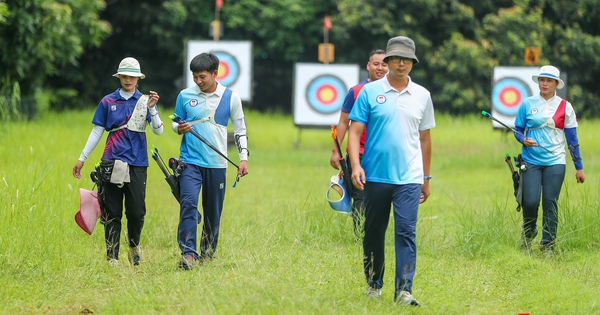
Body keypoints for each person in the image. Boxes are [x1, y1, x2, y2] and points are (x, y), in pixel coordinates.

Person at [347, 36, 435, 306]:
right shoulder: (369, 92)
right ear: (386, 61)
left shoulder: (422, 95)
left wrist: (426, 178)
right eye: (396, 58)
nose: (401, 63)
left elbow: (425, 139)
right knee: (373, 232)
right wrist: (355, 165)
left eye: (406, 59)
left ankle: (404, 291)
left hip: (409, 177)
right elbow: (354, 132)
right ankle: (374, 284)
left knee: (406, 233)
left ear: (412, 63)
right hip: (374, 176)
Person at [72, 57, 164, 266]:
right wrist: (82, 158)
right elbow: (97, 131)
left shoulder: (144, 101)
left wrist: (152, 108)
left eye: (131, 76)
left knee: (136, 211)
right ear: (119, 77)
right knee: (112, 211)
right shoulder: (107, 102)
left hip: (137, 163)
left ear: (138, 78)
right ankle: (112, 257)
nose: (128, 80)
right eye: (124, 76)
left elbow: (158, 130)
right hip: (112, 162)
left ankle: (134, 246)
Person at [172, 52, 249, 270]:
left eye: (202, 77)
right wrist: (179, 128)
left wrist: (243, 159)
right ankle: (188, 254)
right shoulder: (185, 95)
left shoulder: (230, 97)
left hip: (217, 164)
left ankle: (207, 253)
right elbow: (174, 122)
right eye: (195, 77)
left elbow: (240, 130)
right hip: (190, 162)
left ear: (215, 74)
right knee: (187, 203)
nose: (198, 81)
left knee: (213, 211)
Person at [513, 65, 585, 255]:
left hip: (555, 161)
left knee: (550, 202)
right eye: (541, 80)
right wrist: (523, 139)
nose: (544, 83)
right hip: (530, 160)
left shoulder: (565, 106)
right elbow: (518, 130)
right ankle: (529, 234)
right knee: (530, 201)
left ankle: (548, 244)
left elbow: (572, 140)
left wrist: (579, 167)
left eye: (549, 80)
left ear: (556, 84)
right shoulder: (527, 103)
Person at [330, 49, 388, 236]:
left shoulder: (394, 91)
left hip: (385, 154)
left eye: (384, 64)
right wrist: (335, 151)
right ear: (368, 66)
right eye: (376, 64)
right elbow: (343, 122)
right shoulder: (355, 91)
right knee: (360, 196)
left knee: (382, 196)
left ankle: (376, 233)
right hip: (359, 153)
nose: (380, 68)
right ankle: (360, 236)